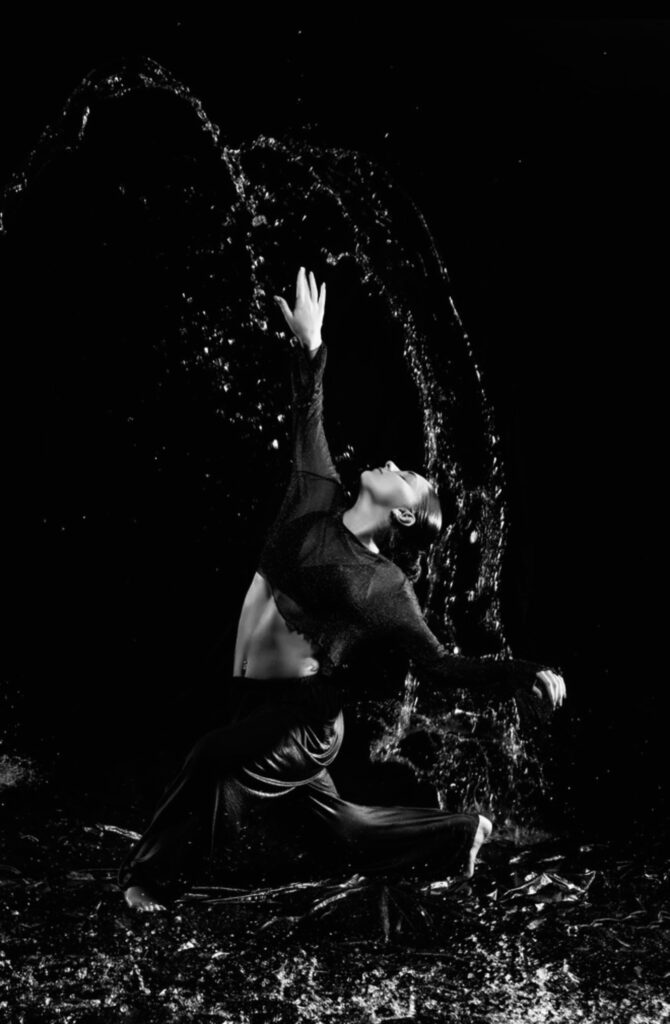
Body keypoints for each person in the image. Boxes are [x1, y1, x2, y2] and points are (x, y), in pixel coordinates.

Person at [119, 266, 566, 912]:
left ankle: (148, 884)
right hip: (255, 704)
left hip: (303, 720)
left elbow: (440, 665)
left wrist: (523, 673)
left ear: (404, 514)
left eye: (407, 476)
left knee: (213, 758)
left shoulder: (385, 587)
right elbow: (308, 414)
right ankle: (456, 833)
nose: (393, 464)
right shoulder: (317, 491)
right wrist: (310, 343)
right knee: (339, 831)